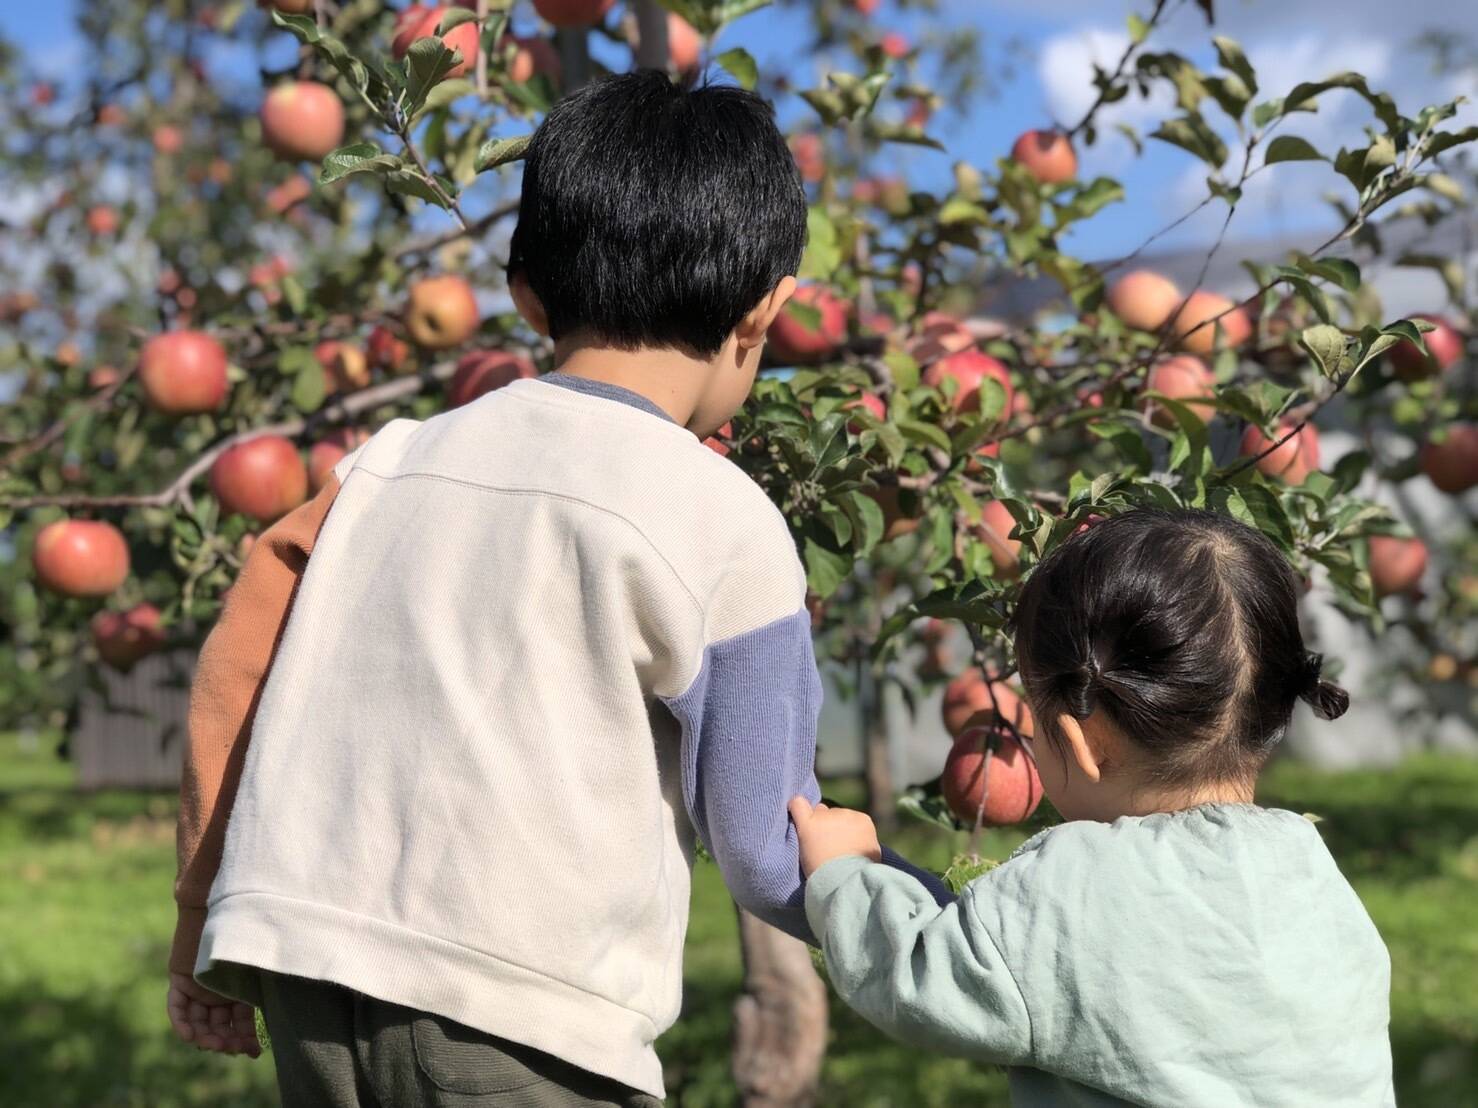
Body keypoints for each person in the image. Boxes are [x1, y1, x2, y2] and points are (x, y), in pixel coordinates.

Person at [166, 71, 944, 1106]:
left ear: (524, 293)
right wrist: (921, 908)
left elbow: (240, 665)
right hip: (520, 1009)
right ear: (767, 312)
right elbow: (763, 847)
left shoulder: (383, 465)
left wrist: (198, 913)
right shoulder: (722, 516)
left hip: (305, 964)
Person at [792, 509, 1395, 1107]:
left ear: (1085, 742)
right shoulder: (1308, 867)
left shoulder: (1072, 886)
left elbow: (923, 979)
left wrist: (847, 873)